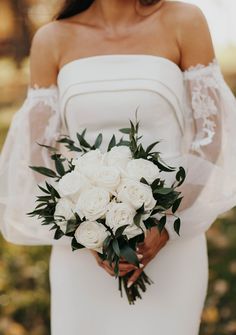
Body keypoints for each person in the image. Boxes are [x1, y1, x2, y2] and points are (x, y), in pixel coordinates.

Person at [0, 0, 236, 334]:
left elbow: (210, 137)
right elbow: (40, 153)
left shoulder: (184, 20)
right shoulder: (52, 39)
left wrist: (166, 222)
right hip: (83, 249)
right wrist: (89, 229)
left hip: (174, 237)